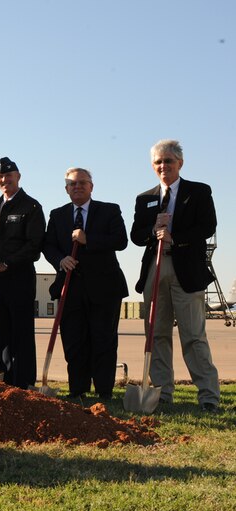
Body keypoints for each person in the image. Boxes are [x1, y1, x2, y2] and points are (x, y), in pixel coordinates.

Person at [130, 139, 219, 411]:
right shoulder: (145, 198)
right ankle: (161, 394)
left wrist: (174, 238)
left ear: (180, 163)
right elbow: (135, 235)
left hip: (186, 269)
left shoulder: (198, 192)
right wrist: (152, 230)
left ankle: (208, 397)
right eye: (158, 162)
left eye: (168, 161)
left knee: (193, 335)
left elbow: (207, 226)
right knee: (156, 334)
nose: (163, 166)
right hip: (155, 269)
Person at [43, 168, 128, 401]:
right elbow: (48, 245)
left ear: (92, 186)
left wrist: (87, 239)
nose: (77, 186)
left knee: (103, 339)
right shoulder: (57, 215)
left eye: (82, 183)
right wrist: (60, 259)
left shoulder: (109, 210)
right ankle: (78, 390)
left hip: (105, 287)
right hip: (70, 287)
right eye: (72, 184)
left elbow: (121, 240)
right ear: (66, 189)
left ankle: (104, 391)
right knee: (73, 340)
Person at [0, 157, 45, 388]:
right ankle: (5, 378)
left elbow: (34, 246)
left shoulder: (31, 206)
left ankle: (24, 382)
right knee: (1, 331)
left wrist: (6, 263)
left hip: (20, 277)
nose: (5, 180)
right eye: (0, 177)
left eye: (9, 176)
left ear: (18, 176)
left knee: (22, 332)